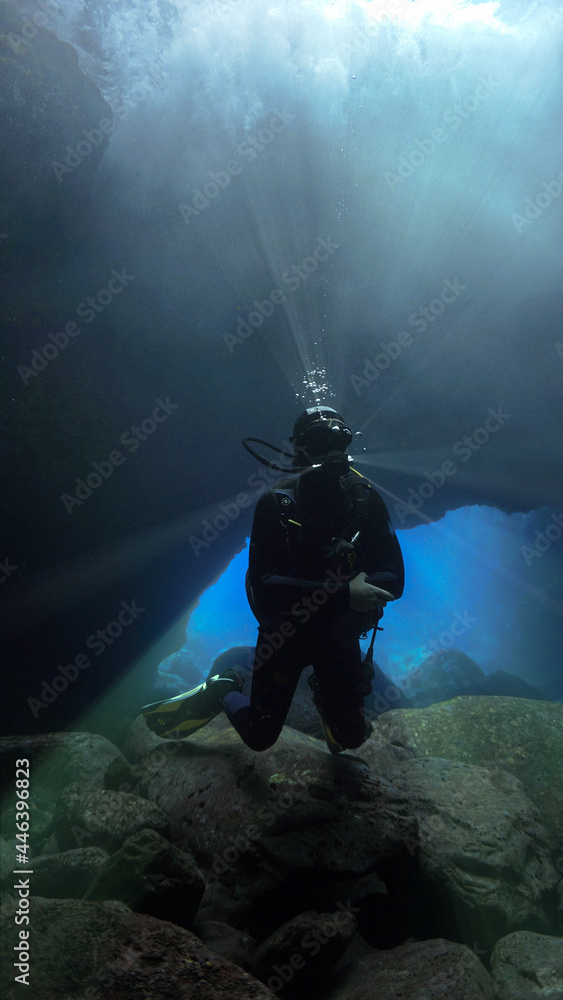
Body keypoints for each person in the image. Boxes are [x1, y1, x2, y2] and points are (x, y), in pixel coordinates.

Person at [142, 406, 405, 753]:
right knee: (259, 736)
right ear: (298, 447)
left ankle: (326, 696)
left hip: (338, 635)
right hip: (286, 631)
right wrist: (345, 594)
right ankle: (224, 688)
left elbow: (395, 579)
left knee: (351, 739)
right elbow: (267, 583)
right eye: (316, 440)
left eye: (338, 438)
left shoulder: (366, 501)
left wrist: (347, 597)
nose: (330, 449)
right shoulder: (279, 503)